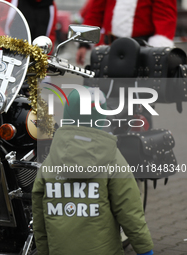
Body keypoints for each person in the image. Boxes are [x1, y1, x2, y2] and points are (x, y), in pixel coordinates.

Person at [32, 87, 154, 255]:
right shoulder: (113, 158)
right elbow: (130, 212)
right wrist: (145, 250)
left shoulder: (52, 158)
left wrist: (44, 249)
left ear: (68, 113)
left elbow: (39, 215)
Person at [76, 0, 177, 65]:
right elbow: (95, 12)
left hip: (142, 51)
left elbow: (165, 18)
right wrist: (83, 44)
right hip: (108, 48)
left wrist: (157, 52)